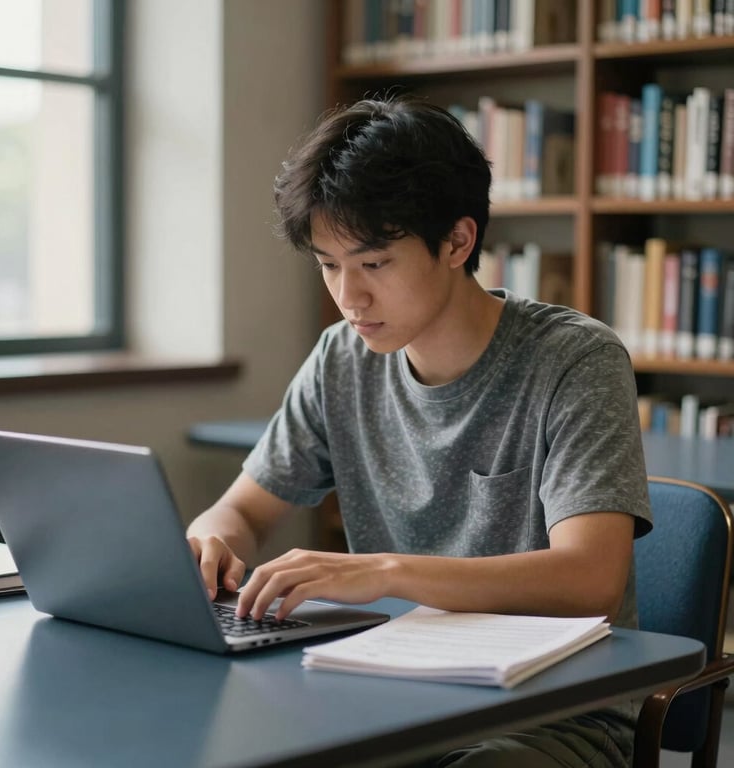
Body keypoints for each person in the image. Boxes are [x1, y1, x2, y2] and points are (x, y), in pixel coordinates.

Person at [186, 94, 652, 767]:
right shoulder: (340, 360)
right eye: (328, 264)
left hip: (547, 713)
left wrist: (382, 573)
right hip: (384, 697)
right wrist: (214, 543)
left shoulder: (574, 359)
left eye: (374, 264)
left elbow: (590, 577)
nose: (349, 297)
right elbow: (240, 511)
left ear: (458, 242)